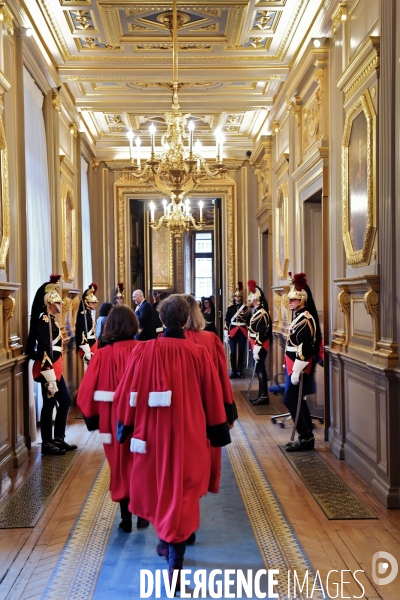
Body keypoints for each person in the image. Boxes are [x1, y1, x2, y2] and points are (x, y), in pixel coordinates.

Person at [115, 295, 230, 588]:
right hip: (190, 437)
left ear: (162, 319)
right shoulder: (198, 354)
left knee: (159, 491)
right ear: (186, 319)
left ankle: (168, 545)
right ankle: (173, 556)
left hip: (152, 437)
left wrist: (124, 425)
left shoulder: (143, 352)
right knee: (184, 496)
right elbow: (213, 398)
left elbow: (129, 392)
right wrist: (217, 431)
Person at [77, 305, 148, 532]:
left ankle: (125, 519)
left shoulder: (102, 355)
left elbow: (86, 392)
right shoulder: (145, 350)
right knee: (141, 464)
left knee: (119, 466)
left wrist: (92, 419)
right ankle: (142, 514)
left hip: (112, 421)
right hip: (142, 419)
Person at [183, 293, 237, 493]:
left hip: (180, 404)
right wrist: (228, 409)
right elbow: (222, 376)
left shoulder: (163, 341)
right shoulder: (210, 339)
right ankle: (203, 481)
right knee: (207, 445)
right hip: (208, 402)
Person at [26, 275, 77, 456]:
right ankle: (47, 443)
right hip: (49, 371)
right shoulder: (43, 322)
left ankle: (58, 438)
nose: (61, 305)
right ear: (49, 303)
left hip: (56, 369)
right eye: (57, 303)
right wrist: (49, 375)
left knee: (64, 401)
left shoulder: (52, 320)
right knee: (49, 405)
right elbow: (44, 350)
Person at [284, 272, 322, 452]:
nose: (290, 302)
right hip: (293, 365)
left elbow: (305, 347)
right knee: (297, 400)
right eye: (289, 299)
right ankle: (306, 437)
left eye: (293, 299)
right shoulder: (299, 316)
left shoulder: (306, 319)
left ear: (302, 300)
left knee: (290, 399)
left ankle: (305, 436)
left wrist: (297, 370)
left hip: (300, 366)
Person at [247, 280, 272, 405]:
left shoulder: (262, 314)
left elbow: (261, 333)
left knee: (260, 368)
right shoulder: (257, 312)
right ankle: (261, 394)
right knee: (258, 369)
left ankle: (264, 395)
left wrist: (257, 348)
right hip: (255, 344)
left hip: (259, 345)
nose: (249, 301)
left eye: (250, 298)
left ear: (255, 299)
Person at [224, 282, 251, 379]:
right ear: (234, 297)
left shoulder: (246, 308)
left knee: (241, 351)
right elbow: (227, 320)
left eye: (239, 296)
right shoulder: (230, 308)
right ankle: (234, 371)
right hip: (233, 331)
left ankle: (239, 371)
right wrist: (226, 332)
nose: (238, 298)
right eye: (236, 296)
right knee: (233, 352)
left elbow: (249, 321)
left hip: (242, 331)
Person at [76, 283, 99, 367]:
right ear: (86, 302)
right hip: (88, 346)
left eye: (95, 302)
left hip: (93, 343)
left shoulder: (88, 314)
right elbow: (82, 333)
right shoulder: (83, 316)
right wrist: (87, 351)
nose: (95, 304)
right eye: (93, 302)